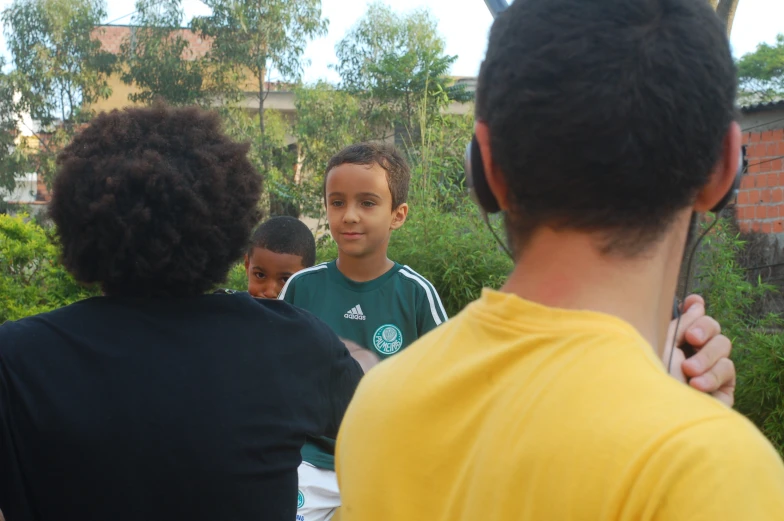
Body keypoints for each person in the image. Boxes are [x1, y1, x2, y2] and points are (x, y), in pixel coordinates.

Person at [335, 0, 784, 519]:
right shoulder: (717, 472)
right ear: (724, 168)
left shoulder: (378, 407)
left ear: (485, 168)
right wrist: (692, 437)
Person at [0, 104, 371, 521]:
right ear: (227, 221)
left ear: (77, 221)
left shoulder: (17, 360)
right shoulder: (296, 345)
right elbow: (388, 445)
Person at [279, 142, 448, 521]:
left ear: (397, 215)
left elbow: (447, 386)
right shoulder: (302, 288)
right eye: (337, 202)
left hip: (387, 464)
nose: (349, 215)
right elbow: (271, 377)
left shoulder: (416, 293)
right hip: (309, 461)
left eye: (367, 203)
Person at [245, 216, 317, 299]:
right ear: (247, 265)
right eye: (260, 275)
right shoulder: (234, 310)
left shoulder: (317, 311)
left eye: (286, 280)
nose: (269, 293)